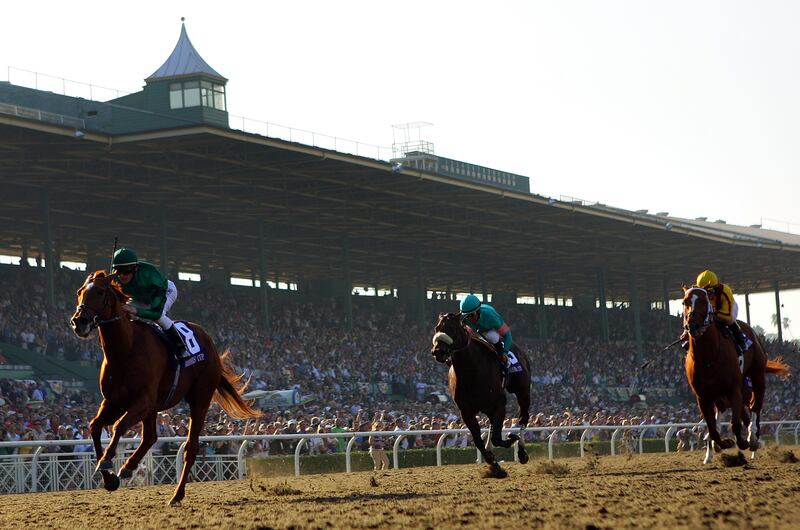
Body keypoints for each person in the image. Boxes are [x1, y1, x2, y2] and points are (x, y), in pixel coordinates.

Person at [111, 248, 190, 360]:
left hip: (165, 292)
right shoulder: (115, 280)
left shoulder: (150, 277)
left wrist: (136, 311)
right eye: (119, 271)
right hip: (141, 298)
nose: (122, 276)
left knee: (160, 317)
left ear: (135, 269)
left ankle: (181, 348)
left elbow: (155, 313)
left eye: (126, 271)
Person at [695, 270, 752, 355]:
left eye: (710, 291)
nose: (708, 295)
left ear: (716, 287)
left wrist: (712, 315)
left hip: (727, 309)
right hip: (712, 311)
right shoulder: (698, 295)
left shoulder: (725, 290)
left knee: (730, 321)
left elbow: (727, 316)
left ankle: (741, 341)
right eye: (705, 292)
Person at [459, 294, 513, 373]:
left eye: (471, 315)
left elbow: (507, 335)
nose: (469, 319)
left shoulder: (491, 316)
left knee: (492, 337)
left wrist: (505, 352)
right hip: (474, 330)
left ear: (478, 311)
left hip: (489, 330)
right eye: (467, 316)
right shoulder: (463, 317)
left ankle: (502, 357)